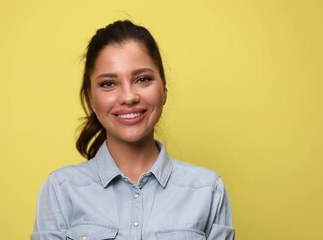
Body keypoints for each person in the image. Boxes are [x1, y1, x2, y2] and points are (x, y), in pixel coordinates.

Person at [31, 20, 235, 240]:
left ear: (164, 89)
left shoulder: (208, 190)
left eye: (143, 79)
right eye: (109, 83)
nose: (129, 97)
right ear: (90, 97)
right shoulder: (61, 190)